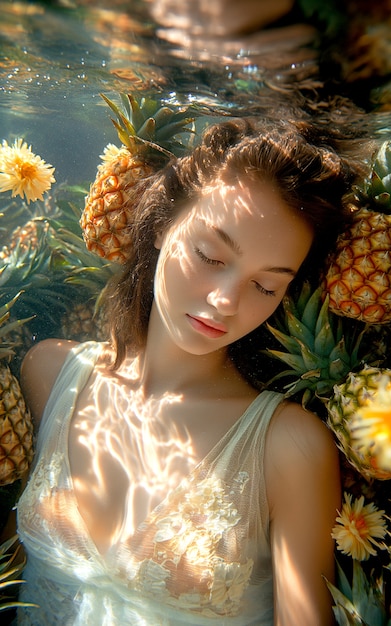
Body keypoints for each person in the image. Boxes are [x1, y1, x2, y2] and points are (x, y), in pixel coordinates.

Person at [16, 118, 362, 625]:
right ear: (161, 223)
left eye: (267, 287)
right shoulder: (48, 373)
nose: (225, 302)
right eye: (210, 255)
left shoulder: (288, 447)